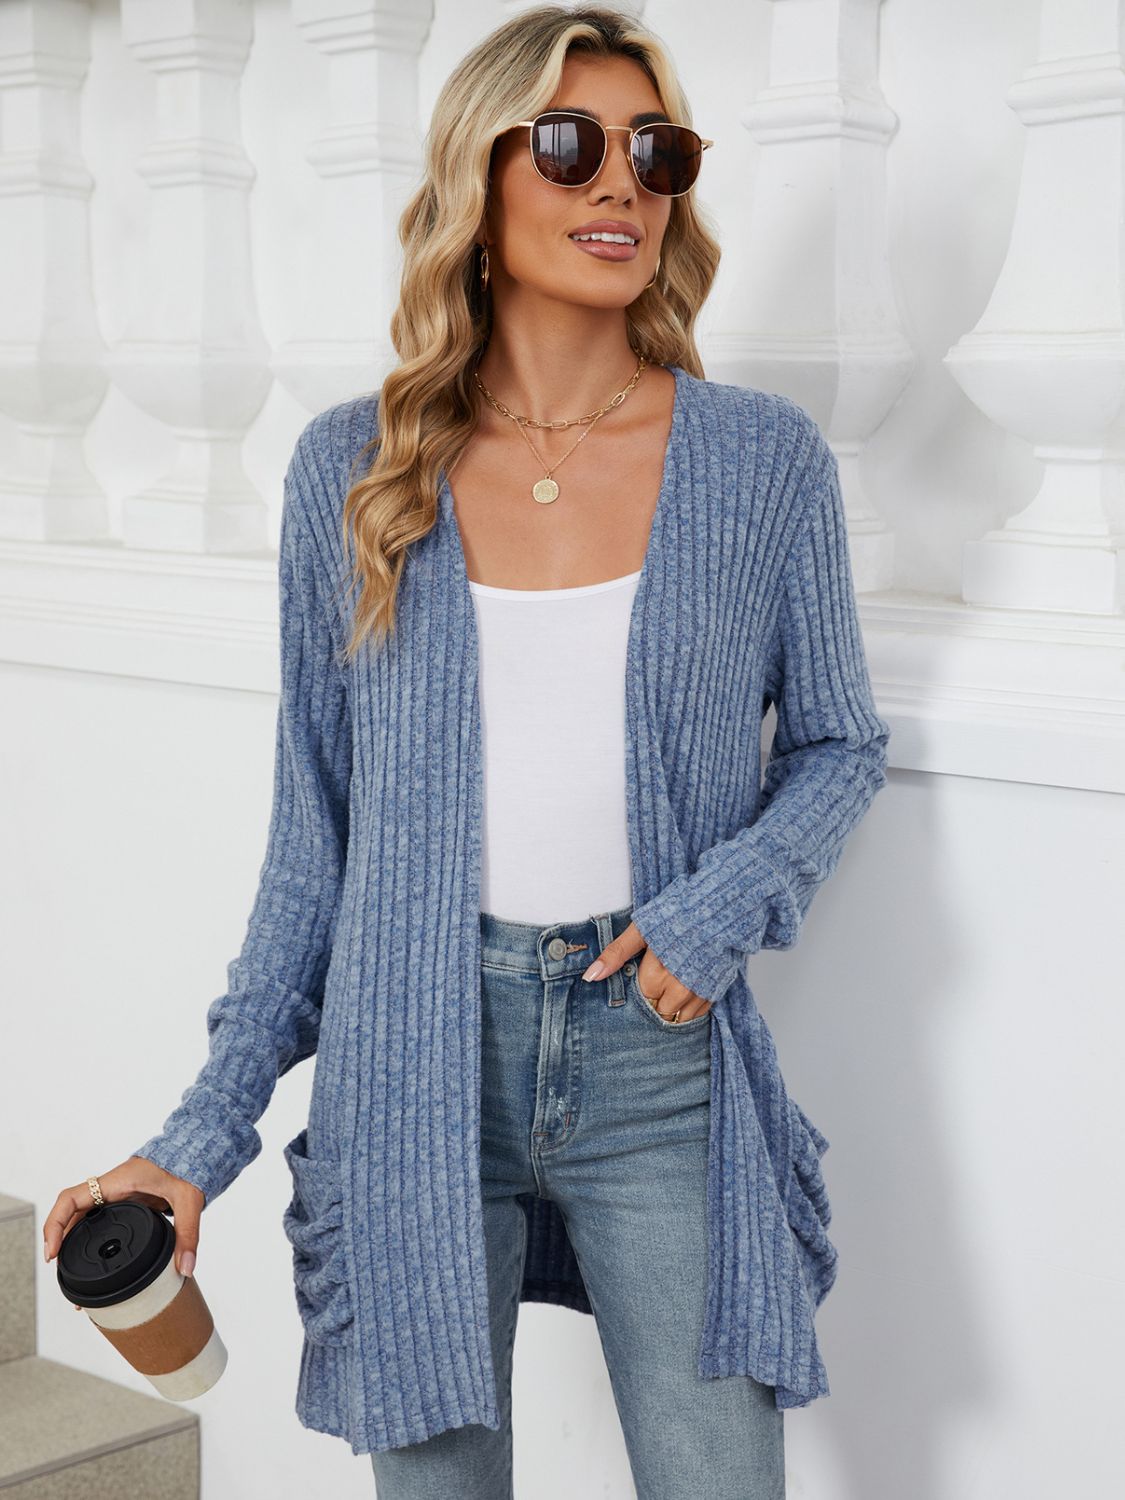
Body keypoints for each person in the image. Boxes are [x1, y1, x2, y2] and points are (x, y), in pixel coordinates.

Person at [44, 6, 890, 1497]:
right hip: (408, 1060)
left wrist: (718, 906)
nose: (620, 182)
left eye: (656, 152)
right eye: (568, 145)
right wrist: (194, 1142)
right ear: (476, 181)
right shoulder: (357, 473)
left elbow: (837, 745)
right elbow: (314, 853)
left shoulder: (760, 464)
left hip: (659, 1063)